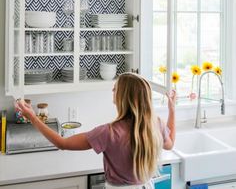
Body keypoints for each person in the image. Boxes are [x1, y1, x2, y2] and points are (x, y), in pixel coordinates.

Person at [16, 72, 176, 188]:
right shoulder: (156, 124)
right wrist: (172, 111)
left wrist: (33, 118)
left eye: (115, 89)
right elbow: (170, 144)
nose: (112, 92)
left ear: (123, 97)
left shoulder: (108, 132)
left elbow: (62, 143)